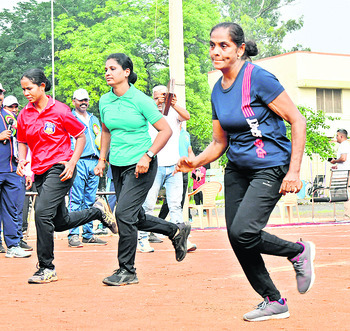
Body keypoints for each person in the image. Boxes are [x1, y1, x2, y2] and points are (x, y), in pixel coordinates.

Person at [175, 23, 314, 322]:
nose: (215, 51)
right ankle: (273, 300)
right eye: (212, 45)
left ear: (239, 49)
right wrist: (196, 162)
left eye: (223, 45)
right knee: (237, 237)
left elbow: (297, 120)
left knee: (244, 232)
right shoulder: (217, 89)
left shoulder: (259, 78)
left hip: (272, 166)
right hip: (237, 168)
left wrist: (294, 170)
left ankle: (297, 251)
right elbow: (219, 142)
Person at [94, 53, 191, 286]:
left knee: (124, 215)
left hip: (141, 165)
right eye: (106, 69)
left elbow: (165, 130)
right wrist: (102, 159)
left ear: (126, 72)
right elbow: (106, 131)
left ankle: (127, 270)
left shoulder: (141, 100)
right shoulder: (104, 101)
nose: (107, 72)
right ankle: (176, 231)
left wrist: (148, 155)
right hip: (116, 165)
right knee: (134, 216)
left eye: (113, 69)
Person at [15, 69, 118, 284]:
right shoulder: (25, 114)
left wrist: (72, 162)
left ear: (42, 86)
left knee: (41, 213)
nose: (26, 93)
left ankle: (46, 267)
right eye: (23, 89)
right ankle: (97, 212)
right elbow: (22, 140)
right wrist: (23, 160)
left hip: (61, 169)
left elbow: (80, 136)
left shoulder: (60, 110)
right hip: (39, 171)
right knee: (59, 222)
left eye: (30, 88)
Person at [138, 85, 192, 253]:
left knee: (176, 205)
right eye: (158, 96)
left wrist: (174, 104)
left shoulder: (174, 112)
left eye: (164, 96)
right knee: (148, 205)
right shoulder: (149, 113)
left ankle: (182, 239)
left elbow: (187, 116)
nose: (162, 99)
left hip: (173, 166)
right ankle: (142, 239)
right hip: (155, 165)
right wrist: (155, 104)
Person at [67, 88, 108, 247]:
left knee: (90, 200)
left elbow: (101, 138)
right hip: (77, 161)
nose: (84, 103)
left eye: (86, 100)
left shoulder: (94, 118)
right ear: (74, 101)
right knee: (75, 199)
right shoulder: (69, 118)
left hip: (94, 162)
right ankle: (73, 234)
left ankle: (88, 234)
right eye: (80, 100)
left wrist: (101, 160)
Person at [0, 90, 31, 258]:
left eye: (1, 93)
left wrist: (24, 166)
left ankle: (13, 245)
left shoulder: (10, 117)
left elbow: (22, 141)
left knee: (13, 208)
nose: (0, 96)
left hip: (12, 169)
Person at [329, 128, 350, 221]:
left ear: (341, 136)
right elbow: (345, 160)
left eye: (337, 136)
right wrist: (337, 166)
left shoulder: (344, 145)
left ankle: (348, 216)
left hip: (347, 172)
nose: (336, 137)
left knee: (347, 193)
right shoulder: (346, 145)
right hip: (349, 170)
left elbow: (343, 158)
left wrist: (334, 161)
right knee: (349, 193)